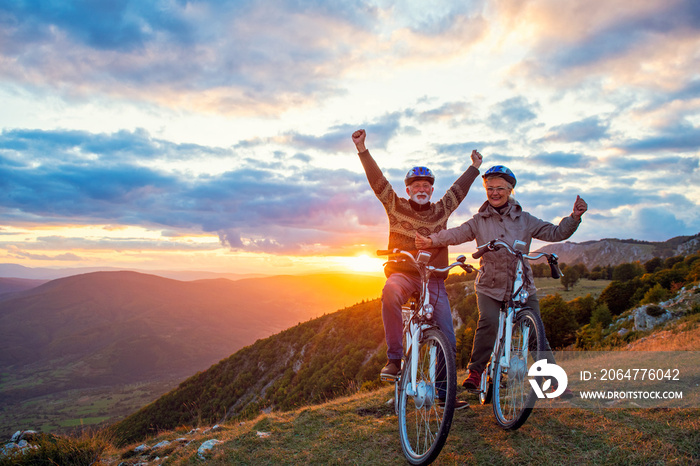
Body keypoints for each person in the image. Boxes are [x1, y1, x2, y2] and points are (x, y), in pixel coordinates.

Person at [415, 165, 587, 396]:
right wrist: (431, 240)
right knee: (488, 323)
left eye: (499, 188)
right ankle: (475, 372)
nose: (494, 193)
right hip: (489, 285)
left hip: (522, 285)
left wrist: (574, 217)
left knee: (536, 331)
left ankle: (552, 381)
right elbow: (456, 233)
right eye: (489, 189)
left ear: (510, 189)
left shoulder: (525, 220)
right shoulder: (479, 220)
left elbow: (555, 233)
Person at [351, 129, 483, 382]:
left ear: (431, 190)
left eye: (426, 185)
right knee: (389, 293)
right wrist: (362, 149)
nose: (421, 189)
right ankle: (394, 360)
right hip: (403, 273)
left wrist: (474, 167)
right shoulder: (395, 206)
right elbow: (378, 182)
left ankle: (445, 392)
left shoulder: (441, 211)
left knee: (446, 334)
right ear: (408, 190)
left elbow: (458, 190)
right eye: (416, 186)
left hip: (433, 278)